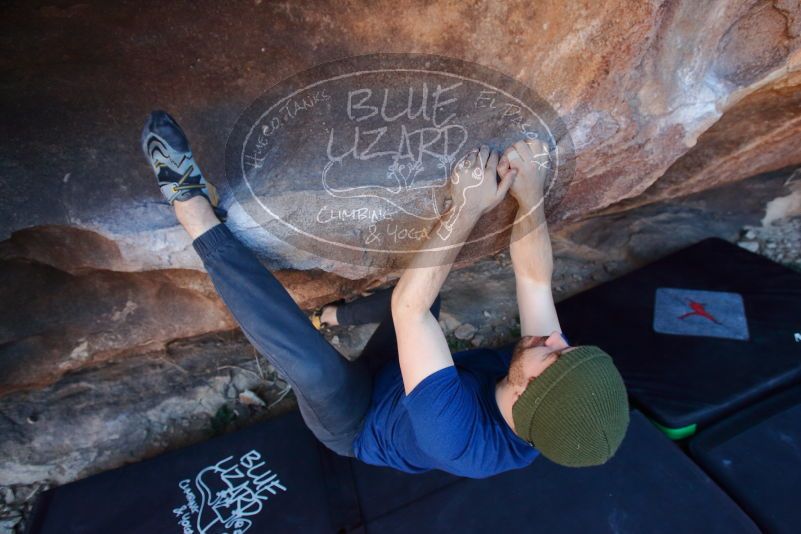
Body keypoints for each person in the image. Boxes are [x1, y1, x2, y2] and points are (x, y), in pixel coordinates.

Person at [141, 111, 629, 478]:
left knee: (316, 369)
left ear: (527, 395)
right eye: (569, 347)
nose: (554, 340)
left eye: (553, 355)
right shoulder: (549, 386)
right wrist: (531, 192)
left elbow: (408, 311)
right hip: (407, 376)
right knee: (429, 295)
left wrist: (467, 207)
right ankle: (335, 315)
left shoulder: (455, 440)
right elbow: (535, 280)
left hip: (357, 419)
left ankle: (193, 210)